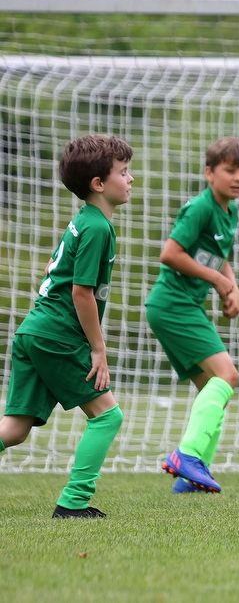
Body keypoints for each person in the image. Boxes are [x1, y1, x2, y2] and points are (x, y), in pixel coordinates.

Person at [0, 135, 133, 518]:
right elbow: (81, 293)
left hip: (34, 330)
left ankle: (74, 502)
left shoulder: (83, 221)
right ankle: (73, 503)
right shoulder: (97, 228)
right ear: (98, 184)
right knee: (108, 416)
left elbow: (53, 270)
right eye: (123, 173)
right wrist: (98, 348)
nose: (130, 179)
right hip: (55, 334)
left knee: (15, 429)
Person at [147, 136, 239, 494]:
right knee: (228, 376)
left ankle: (191, 478)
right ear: (210, 173)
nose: (238, 178)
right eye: (230, 170)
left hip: (184, 306)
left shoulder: (230, 211)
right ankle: (187, 456)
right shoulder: (200, 208)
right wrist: (218, 281)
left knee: (213, 388)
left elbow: (219, 255)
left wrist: (232, 286)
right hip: (173, 304)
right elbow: (171, 254)